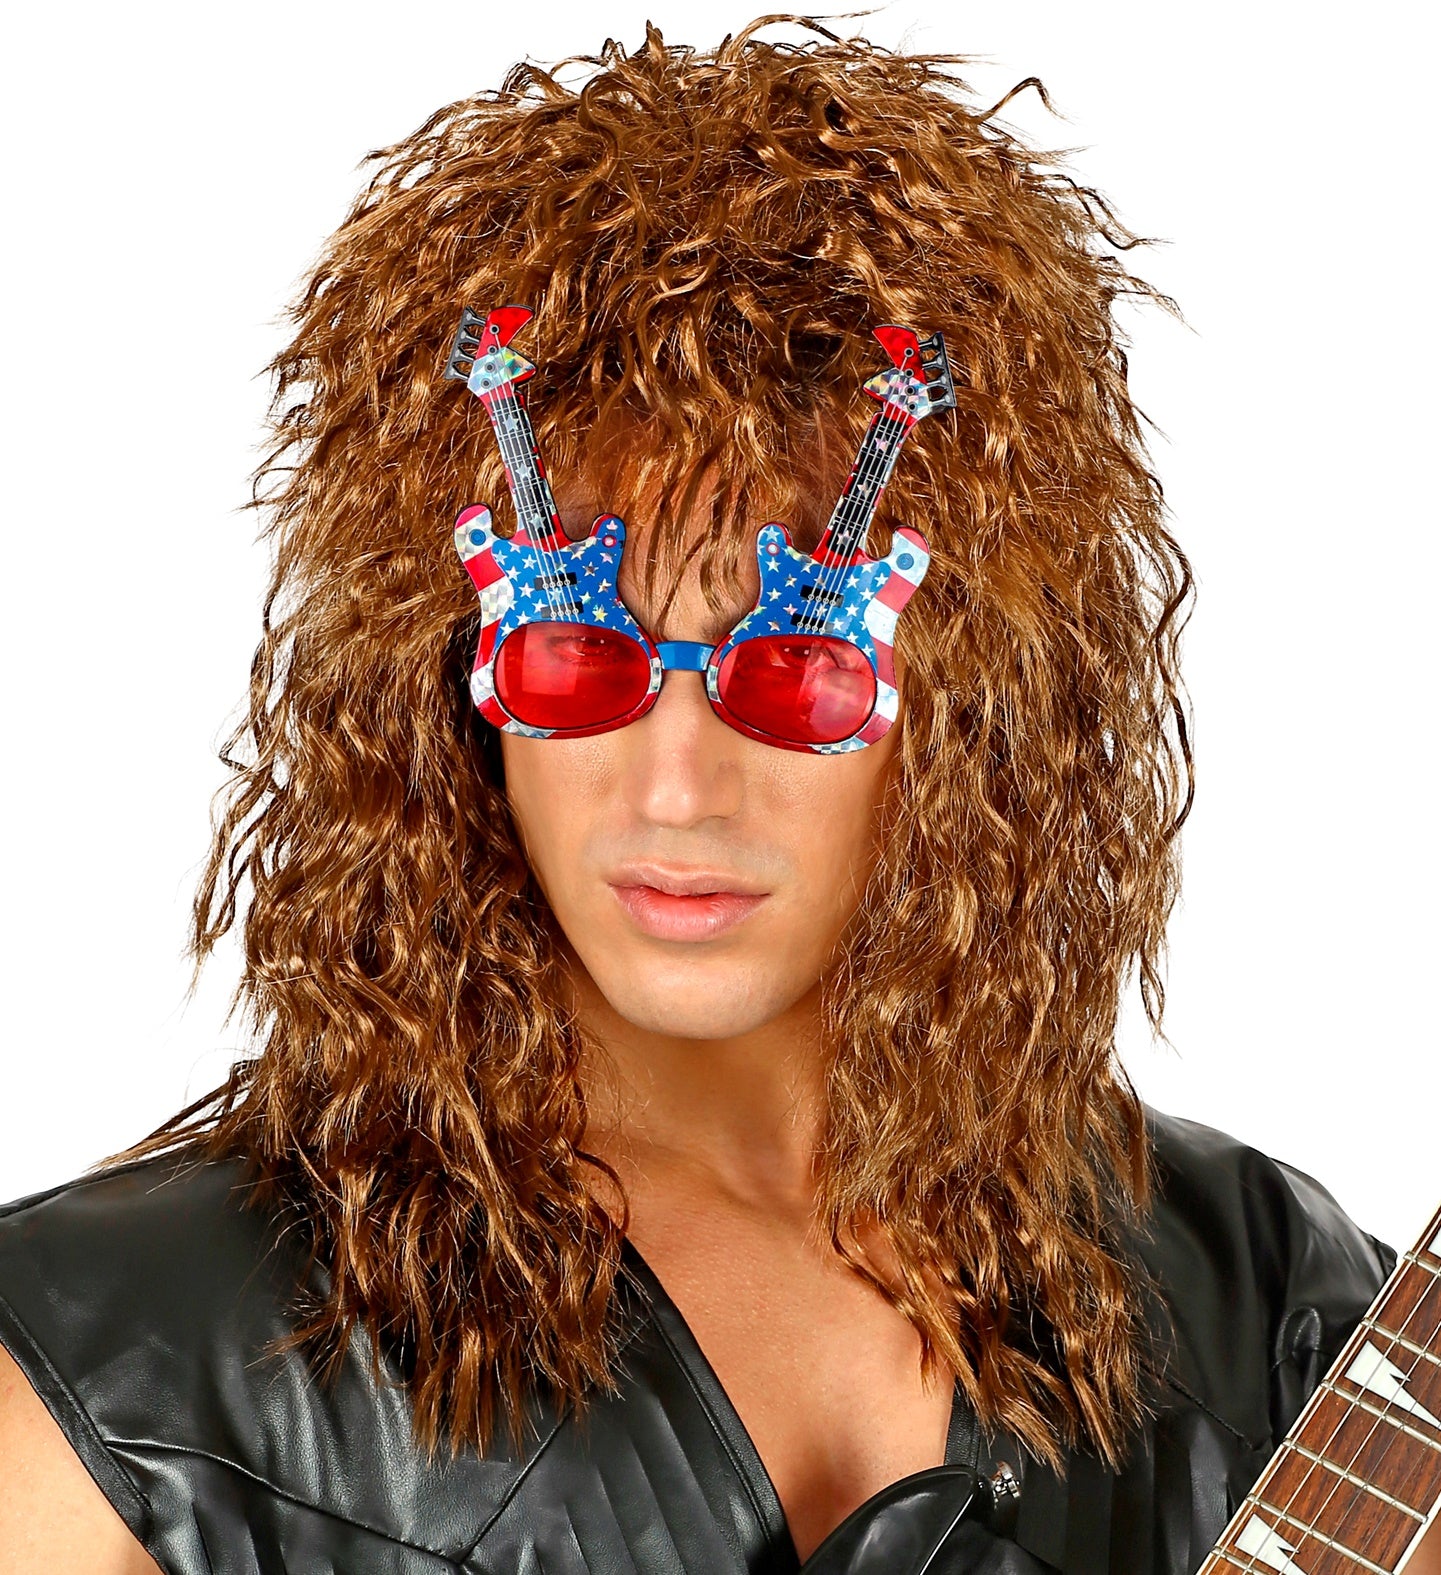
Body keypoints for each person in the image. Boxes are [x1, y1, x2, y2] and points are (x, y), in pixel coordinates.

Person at [0, 17, 1425, 1575]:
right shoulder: (125, 1374)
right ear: (449, 683)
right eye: (574, 662)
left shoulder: (1270, 1313)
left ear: (980, 700)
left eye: (797, 674)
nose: (676, 788)